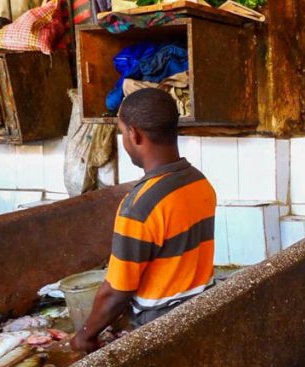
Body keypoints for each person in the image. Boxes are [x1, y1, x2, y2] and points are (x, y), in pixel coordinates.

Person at [71, 88, 216, 353]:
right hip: (200, 312)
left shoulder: (139, 206)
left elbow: (116, 293)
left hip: (157, 328)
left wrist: (85, 334)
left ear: (134, 134)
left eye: (121, 132)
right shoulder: (199, 182)